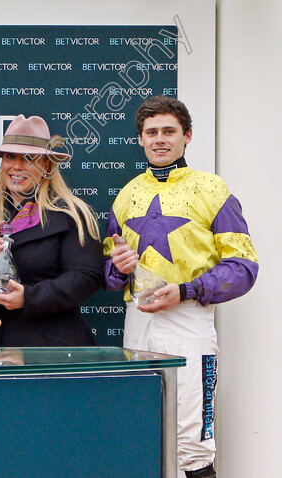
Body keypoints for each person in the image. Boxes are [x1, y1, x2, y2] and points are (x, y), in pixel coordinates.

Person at [104, 96, 258, 478]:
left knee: (193, 442)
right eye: (151, 132)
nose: (160, 139)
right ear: (139, 139)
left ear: (187, 136)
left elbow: (244, 266)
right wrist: (118, 268)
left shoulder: (213, 189)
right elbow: (109, 270)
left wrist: (186, 291)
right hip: (138, 323)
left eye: (169, 131)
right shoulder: (126, 195)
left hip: (189, 320)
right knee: (142, 432)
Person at [0, 114, 103, 346]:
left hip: (52, 352)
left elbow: (86, 277)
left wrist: (28, 298)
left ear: (47, 165)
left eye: (29, 158)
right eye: (10, 156)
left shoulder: (72, 214)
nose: (17, 166)